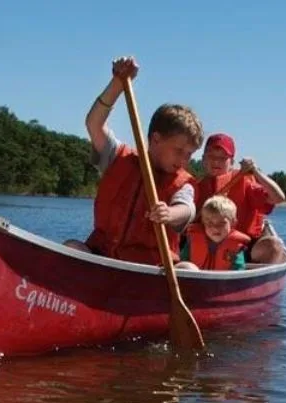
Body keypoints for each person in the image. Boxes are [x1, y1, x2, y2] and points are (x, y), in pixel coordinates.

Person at [64, 56, 203, 265]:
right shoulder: (118, 157)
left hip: (152, 268)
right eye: (179, 150)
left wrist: (170, 213)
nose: (184, 159)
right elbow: (94, 123)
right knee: (71, 247)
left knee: (189, 268)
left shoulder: (183, 183)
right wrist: (118, 83)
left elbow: (188, 209)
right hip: (103, 257)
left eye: (189, 154)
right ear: (156, 139)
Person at [194, 133, 286, 264]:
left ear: (231, 162)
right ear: (203, 159)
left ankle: (257, 281)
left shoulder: (245, 182)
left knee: (274, 246)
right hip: (207, 249)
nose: (216, 161)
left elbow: (278, 198)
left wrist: (255, 171)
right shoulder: (194, 187)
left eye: (222, 158)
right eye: (211, 156)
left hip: (243, 248)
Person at [176, 195, 251, 271]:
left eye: (221, 223)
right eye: (210, 223)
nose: (215, 228)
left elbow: (238, 270)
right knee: (186, 266)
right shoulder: (193, 241)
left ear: (233, 223)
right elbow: (182, 263)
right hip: (196, 280)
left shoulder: (236, 246)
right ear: (203, 223)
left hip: (223, 281)